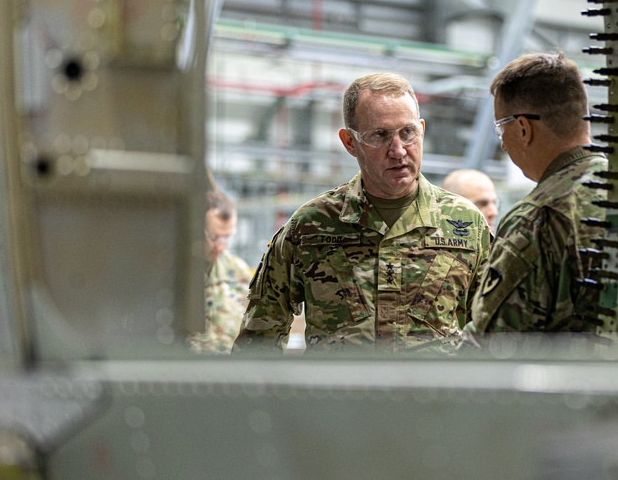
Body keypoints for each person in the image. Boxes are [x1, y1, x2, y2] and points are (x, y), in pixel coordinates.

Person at [237, 72, 491, 352]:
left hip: (433, 395)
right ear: (349, 143)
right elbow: (258, 340)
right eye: (379, 135)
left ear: (422, 129)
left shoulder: (466, 225)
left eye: (408, 133)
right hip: (342, 396)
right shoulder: (310, 227)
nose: (398, 150)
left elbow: (491, 333)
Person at [465, 52, 615, 336]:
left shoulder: (537, 219)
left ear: (523, 128)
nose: (504, 145)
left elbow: (492, 343)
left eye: (501, 128)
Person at [189, 189, 255, 353]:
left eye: (228, 237)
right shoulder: (174, 271)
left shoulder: (238, 272)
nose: (221, 246)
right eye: (214, 237)